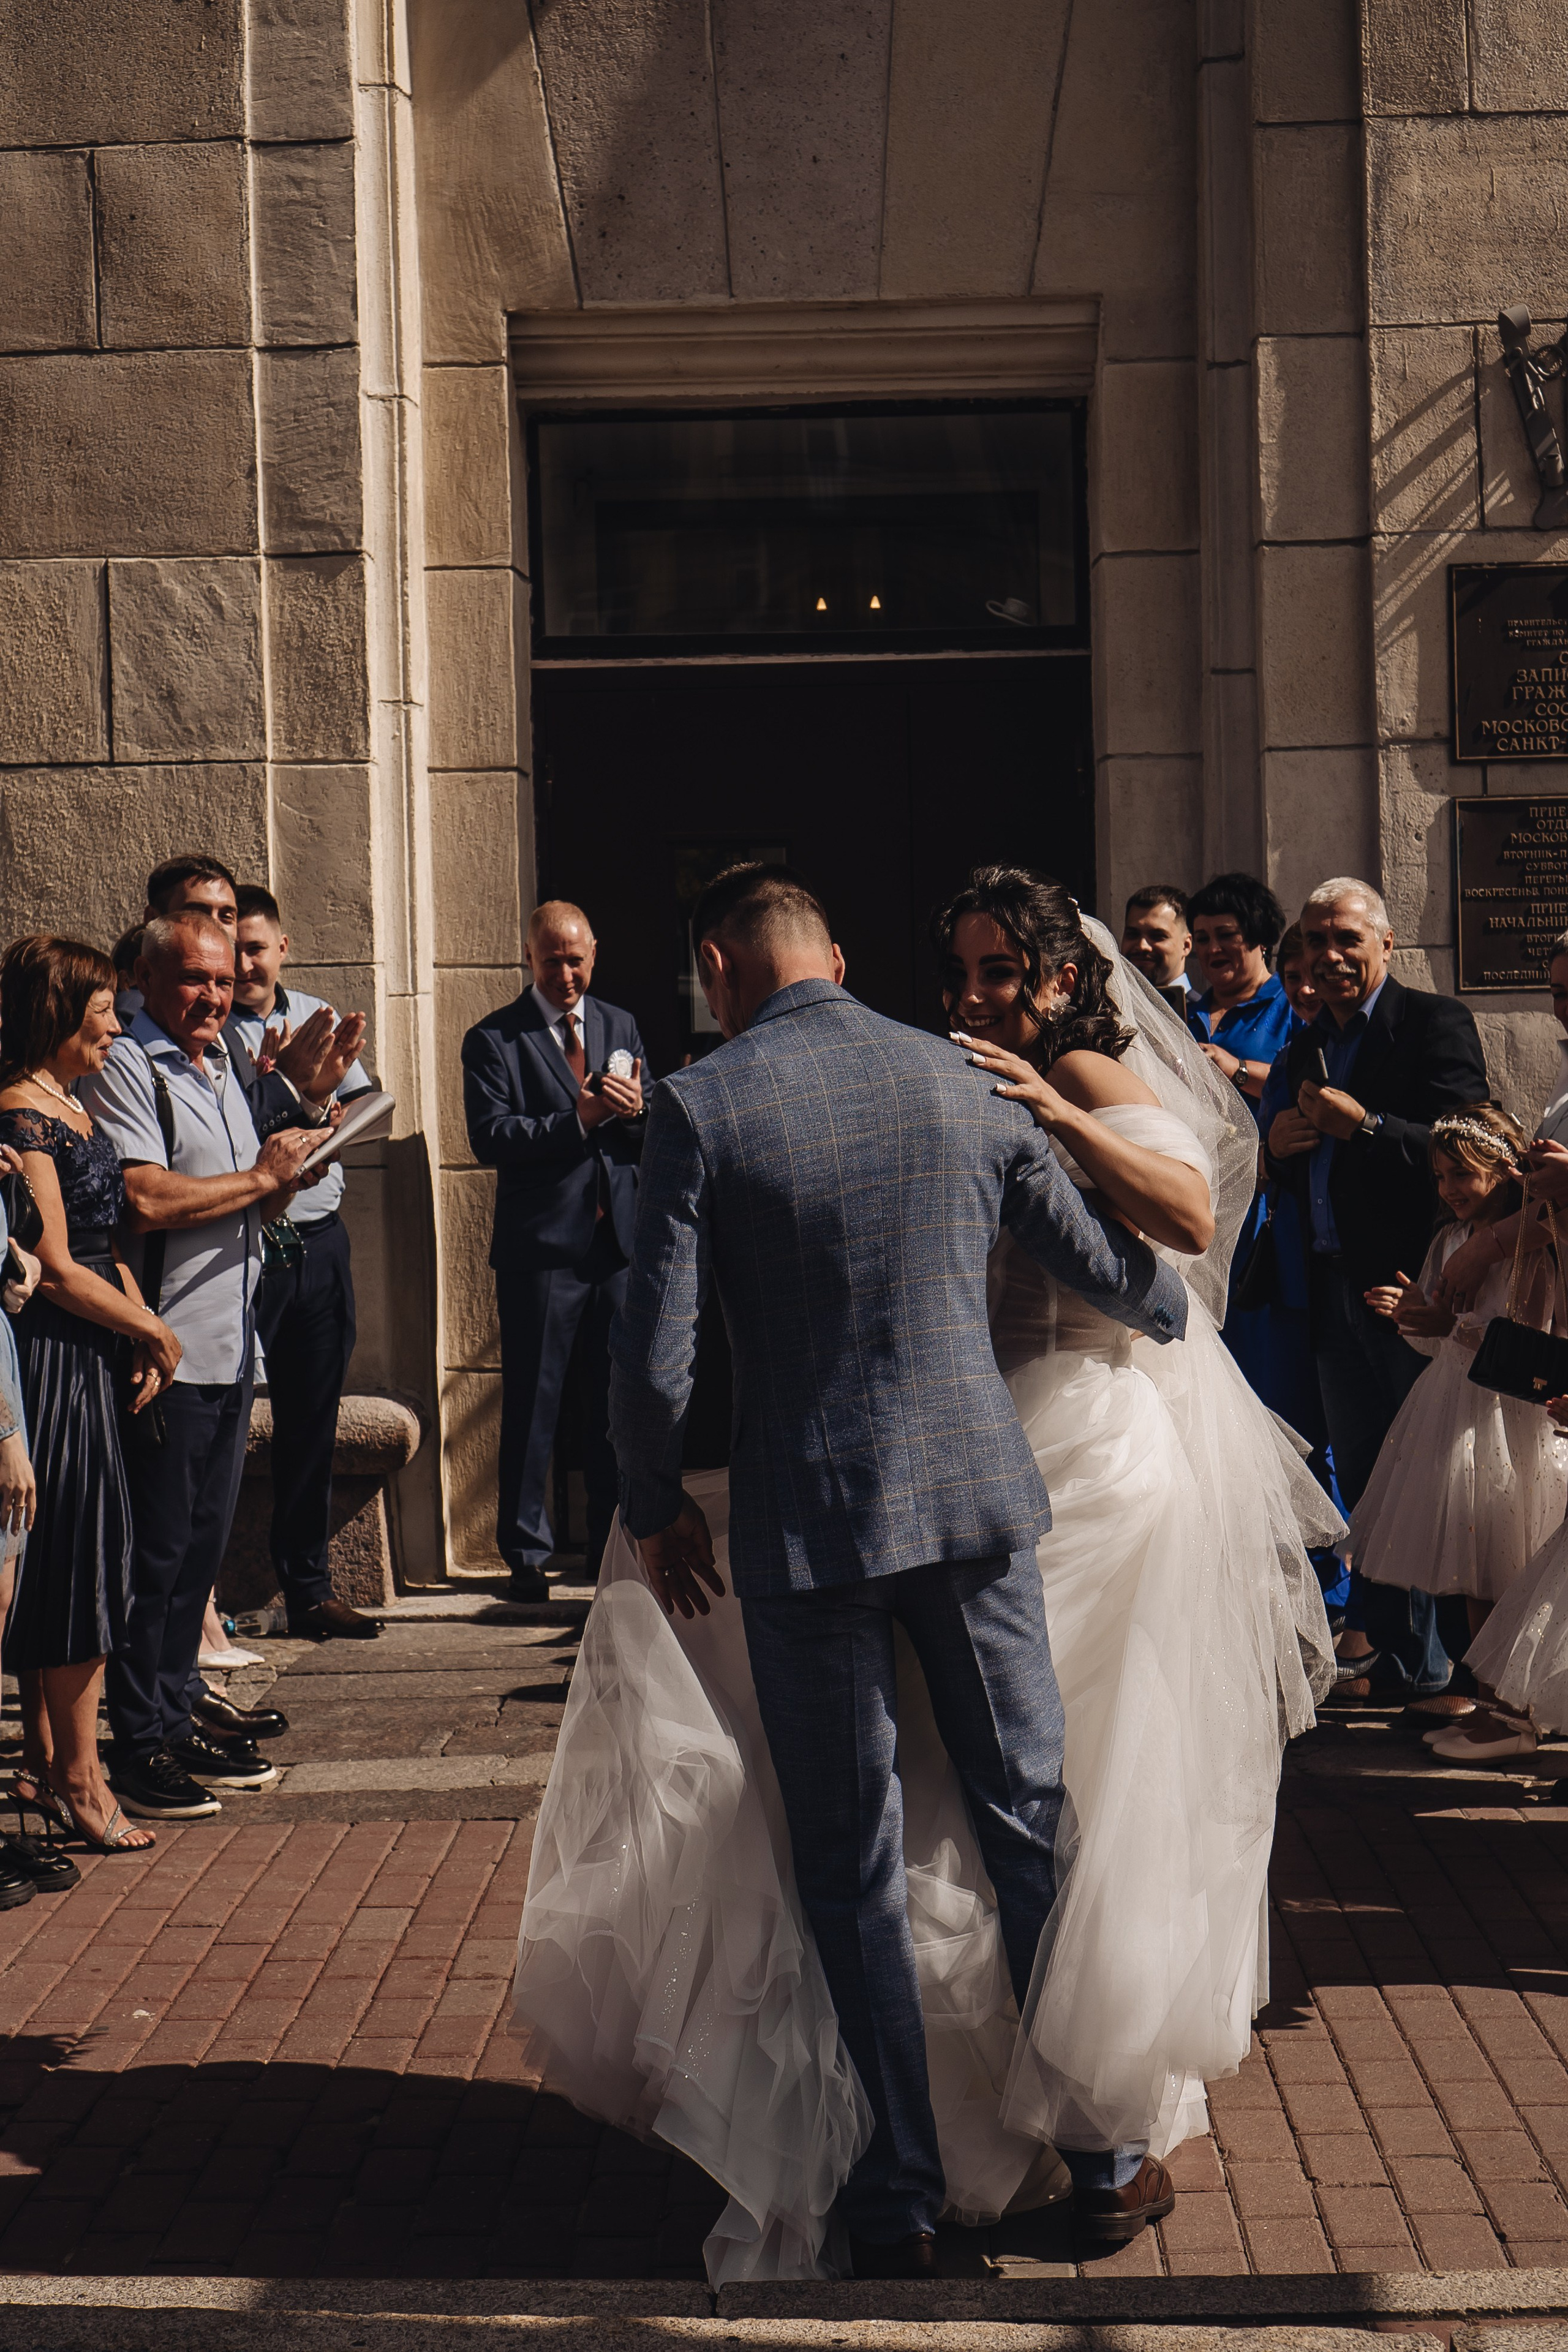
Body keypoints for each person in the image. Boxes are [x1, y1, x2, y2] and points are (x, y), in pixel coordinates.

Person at [514, 864, 1328, 2280]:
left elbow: (656, 1350)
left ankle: (891, 2185)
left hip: (807, 1532)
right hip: (975, 1517)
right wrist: (1159, 1322)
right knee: (1026, 1820)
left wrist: (652, 1504)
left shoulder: (703, 1102)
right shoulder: (957, 1081)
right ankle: (1099, 2153)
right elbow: (1110, 1265)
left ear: (721, 965)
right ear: (831, 953)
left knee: (850, 1859)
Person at [80, 914, 322, 1820]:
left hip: (230, 1343)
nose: (213, 997)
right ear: (142, 978)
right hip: (164, 1350)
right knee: (160, 1554)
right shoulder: (130, 1064)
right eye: (192, 980)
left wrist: (281, 1171)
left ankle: (175, 1715)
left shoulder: (217, 1063)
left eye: (223, 982)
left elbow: (233, 1190)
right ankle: (140, 1738)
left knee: (200, 1554)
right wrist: (261, 1182)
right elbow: (143, 1194)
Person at [1265, 878, 1490, 1707]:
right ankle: (1403, 1662)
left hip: (1411, 1292)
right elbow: (1290, 1165)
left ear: (1386, 946)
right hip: (1331, 1296)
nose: (1328, 957)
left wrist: (1360, 1126)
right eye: (1316, 941)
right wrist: (1279, 1149)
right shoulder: (1302, 1045)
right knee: (1364, 1484)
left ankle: (1441, 1669)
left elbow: (1473, 1146)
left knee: (1422, 1480)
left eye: (1346, 940)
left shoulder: (1433, 1024)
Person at [0, 938, 190, 1855]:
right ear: (58, 1011)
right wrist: (148, 1330)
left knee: (72, 1562)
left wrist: (138, 1314)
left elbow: (104, 1243)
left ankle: (45, 1759)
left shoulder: (69, 1106)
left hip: (89, 1354)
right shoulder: (19, 1114)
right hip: (49, 1365)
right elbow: (57, 1270)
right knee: (75, 1568)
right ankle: (80, 1777)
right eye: (104, 1010)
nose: (118, 1025)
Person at [1348, 1106, 1566, 1752]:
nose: (1448, 1189)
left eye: (1461, 1174)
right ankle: (1486, 1696)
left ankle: (1510, 1704)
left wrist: (1450, 1329)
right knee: (1470, 1567)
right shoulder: (1447, 1242)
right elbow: (1433, 1342)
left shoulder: (1533, 1247)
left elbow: (1526, 1337)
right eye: (1439, 1176)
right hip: (1450, 1413)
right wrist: (1415, 1321)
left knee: (1507, 1561)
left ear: (1505, 1170)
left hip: (1507, 1422)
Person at [462, 900, 646, 1600]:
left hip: (615, 1242)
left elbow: (641, 1114)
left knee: (615, 1403)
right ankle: (527, 1555)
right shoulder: (494, 1040)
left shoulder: (619, 1024)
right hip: (543, 1249)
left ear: (593, 954)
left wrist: (636, 1111)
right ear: (529, 958)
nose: (565, 974)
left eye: (576, 960)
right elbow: (493, 1138)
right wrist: (581, 1117)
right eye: (551, 961)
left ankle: (609, 1546)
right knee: (535, 1405)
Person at [228, 883, 379, 1642]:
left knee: (311, 1423)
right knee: (220, 1423)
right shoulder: (209, 1031)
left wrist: (331, 1119)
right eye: (236, 947)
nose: (246, 961)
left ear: (283, 947)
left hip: (317, 1244)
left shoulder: (315, 1017)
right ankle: (205, 1603)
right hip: (245, 1245)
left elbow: (366, 1104)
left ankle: (309, 1588)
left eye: (258, 947)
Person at [1185, 873, 1292, 1110]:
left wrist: (1237, 1069)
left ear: (1261, 938)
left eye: (1226, 935)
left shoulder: (1295, 1005)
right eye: (1202, 939)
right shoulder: (1185, 1014)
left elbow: (1309, 1087)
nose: (1213, 949)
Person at [1120, 885, 1193, 1016]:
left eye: (1157, 936)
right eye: (1133, 934)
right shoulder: (1111, 1010)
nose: (1142, 946)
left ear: (1186, 946)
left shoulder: (1205, 1018)